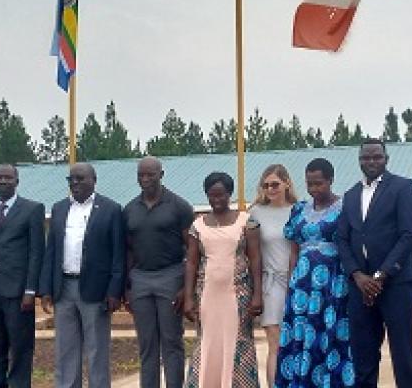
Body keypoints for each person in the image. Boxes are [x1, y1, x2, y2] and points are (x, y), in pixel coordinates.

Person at [337, 138, 412, 388]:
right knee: (363, 354)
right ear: (359, 161)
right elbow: (342, 239)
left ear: (386, 159)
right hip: (360, 287)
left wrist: (381, 275)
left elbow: (409, 235)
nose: (371, 161)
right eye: (366, 157)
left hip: (396, 284)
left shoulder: (403, 187)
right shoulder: (351, 195)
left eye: (377, 157)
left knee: (402, 352)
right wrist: (357, 275)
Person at [40, 163, 126, 388]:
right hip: (63, 289)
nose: (75, 183)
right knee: (65, 349)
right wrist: (46, 289)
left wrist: (114, 291)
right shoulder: (59, 209)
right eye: (71, 179)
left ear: (94, 180)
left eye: (80, 179)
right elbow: (51, 251)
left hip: (96, 291)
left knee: (97, 350)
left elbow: (118, 254)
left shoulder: (111, 209)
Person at [275, 158, 355, 388]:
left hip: (333, 283)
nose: (314, 189)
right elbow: (294, 249)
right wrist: (291, 283)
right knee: (301, 333)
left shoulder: (345, 208)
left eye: (319, 183)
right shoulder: (299, 209)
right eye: (309, 184)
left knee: (329, 333)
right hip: (302, 285)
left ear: (331, 180)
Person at [183, 172, 263, 388]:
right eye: (212, 195)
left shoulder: (248, 222)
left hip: (239, 295)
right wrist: (188, 298)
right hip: (207, 296)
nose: (216, 200)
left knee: (238, 341)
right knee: (208, 342)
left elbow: (256, 259)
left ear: (230, 194)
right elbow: (191, 263)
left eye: (221, 195)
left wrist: (257, 294)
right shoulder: (197, 226)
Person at [123, 156, 195, 388]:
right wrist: (127, 287)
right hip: (140, 279)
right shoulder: (130, 209)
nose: (145, 179)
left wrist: (186, 288)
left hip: (171, 276)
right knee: (147, 345)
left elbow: (192, 250)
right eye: (141, 175)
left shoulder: (179, 206)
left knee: (171, 342)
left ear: (161, 175)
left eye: (150, 174)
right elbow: (128, 250)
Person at [0, 164, 45, 388]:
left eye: (8, 177)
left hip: (18, 293)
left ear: (17, 181)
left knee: (20, 347)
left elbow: (36, 253)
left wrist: (31, 290)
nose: (3, 181)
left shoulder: (32, 209)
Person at [249, 164, 297, 387]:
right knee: (275, 343)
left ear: (286, 183)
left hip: (297, 282)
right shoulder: (255, 213)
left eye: (275, 184)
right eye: (266, 185)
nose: (270, 189)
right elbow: (251, 252)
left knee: (297, 342)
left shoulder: (299, 210)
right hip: (271, 283)